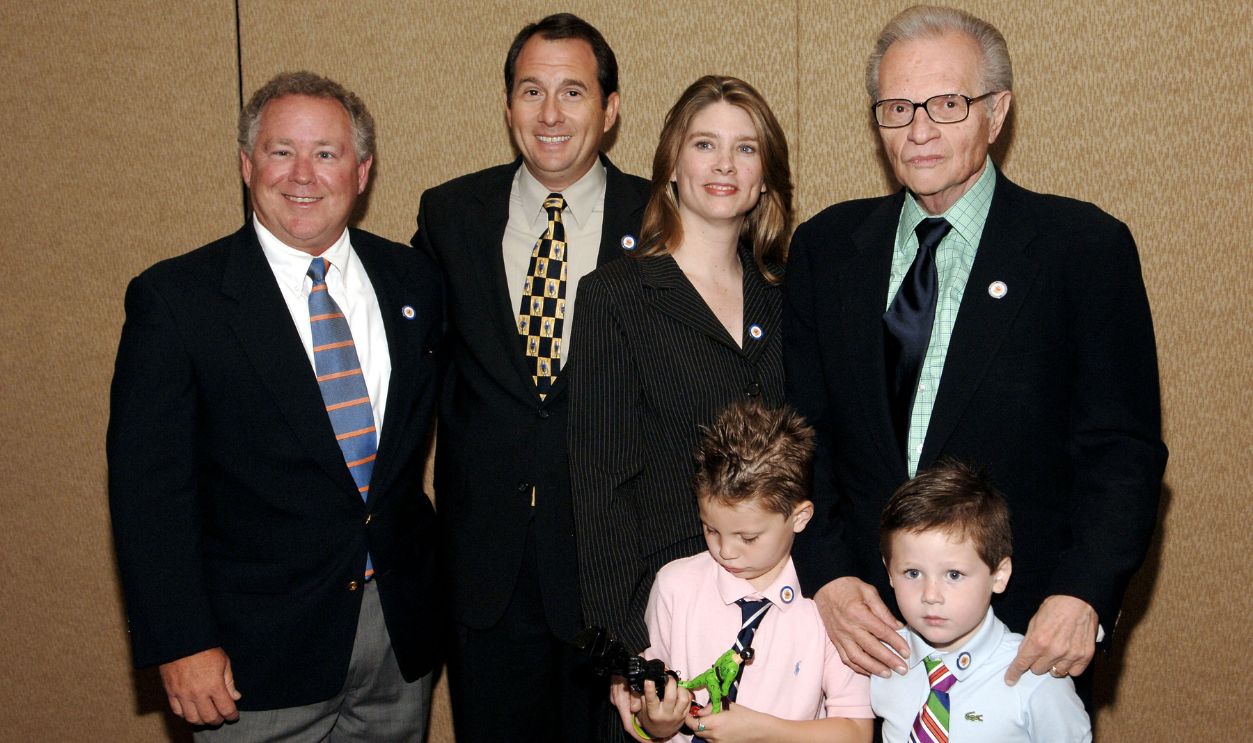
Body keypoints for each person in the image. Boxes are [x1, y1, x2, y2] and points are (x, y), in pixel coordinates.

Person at [784, 4, 1166, 703]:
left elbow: (1122, 453)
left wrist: (1083, 594)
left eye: (946, 104)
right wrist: (828, 575)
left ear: (996, 112)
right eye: (896, 107)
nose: (919, 129)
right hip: (859, 644)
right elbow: (805, 439)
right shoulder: (826, 250)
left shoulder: (1081, 249)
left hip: (1024, 643)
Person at [108, 71, 442, 741]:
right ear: (245, 164)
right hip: (248, 656)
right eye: (280, 150)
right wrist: (181, 642)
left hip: (397, 642)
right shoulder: (176, 302)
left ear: (362, 170)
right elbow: (149, 494)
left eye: (326, 153)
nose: (303, 175)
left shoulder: (414, 281)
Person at [410, 13, 649, 742]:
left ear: (609, 110)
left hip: (613, 572)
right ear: (508, 105)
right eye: (530, 91)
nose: (550, 114)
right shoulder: (451, 215)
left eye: (572, 92)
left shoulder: (664, 216)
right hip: (487, 577)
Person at [571, 75, 793, 660]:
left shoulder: (788, 293)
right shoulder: (615, 296)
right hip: (665, 613)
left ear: (765, 175)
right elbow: (601, 486)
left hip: (784, 611)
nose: (724, 164)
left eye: (745, 148)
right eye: (703, 144)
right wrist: (626, 651)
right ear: (671, 164)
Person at [615, 400, 873, 742]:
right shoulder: (674, 586)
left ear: (800, 517)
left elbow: (856, 733)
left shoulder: (827, 608)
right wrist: (657, 723)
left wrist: (763, 732)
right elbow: (649, 709)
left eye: (748, 537)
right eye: (710, 529)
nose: (725, 550)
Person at [875, 462, 1091, 742]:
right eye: (912, 573)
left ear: (999, 575)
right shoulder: (880, 661)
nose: (930, 595)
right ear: (889, 572)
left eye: (954, 574)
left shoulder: (1035, 679)